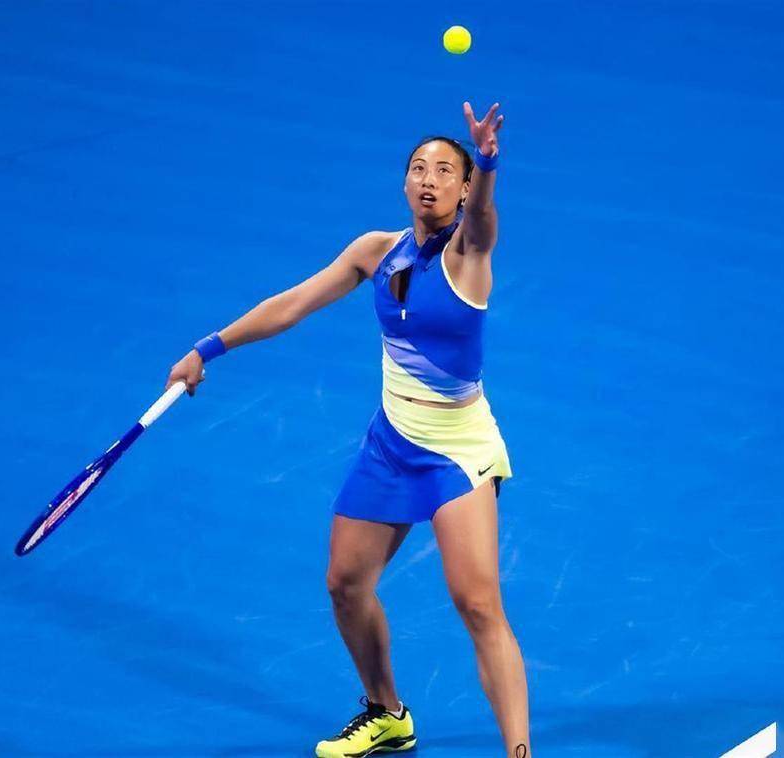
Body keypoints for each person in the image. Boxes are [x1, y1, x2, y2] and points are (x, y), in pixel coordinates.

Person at [166, 102, 531, 758]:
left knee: (478, 605)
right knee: (345, 585)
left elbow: (483, 217)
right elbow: (292, 304)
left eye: (445, 171)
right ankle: (387, 712)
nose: (428, 179)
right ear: (404, 183)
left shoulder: (469, 253)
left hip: (458, 454)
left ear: (463, 189)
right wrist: (208, 348)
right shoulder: (375, 251)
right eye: (418, 168)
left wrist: (487, 161)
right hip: (391, 446)